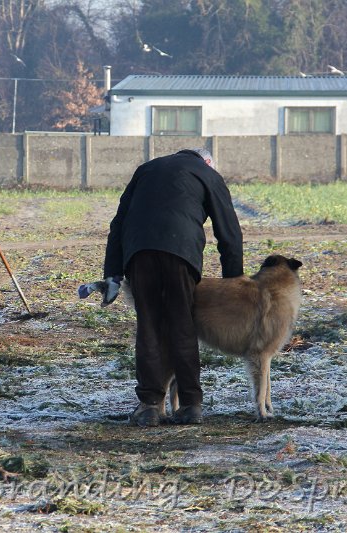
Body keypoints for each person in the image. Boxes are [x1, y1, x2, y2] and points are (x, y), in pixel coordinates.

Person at [103, 147, 243, 426]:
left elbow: (118, 223)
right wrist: (233, 283)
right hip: (181, 253)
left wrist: (113, 274)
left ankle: (149, 406)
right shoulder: (208, 174)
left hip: (139, 253)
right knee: (182, 324)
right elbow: (229, 231)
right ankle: (191, 405)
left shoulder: (147, 169)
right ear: (207, 162)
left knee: (150, 326)